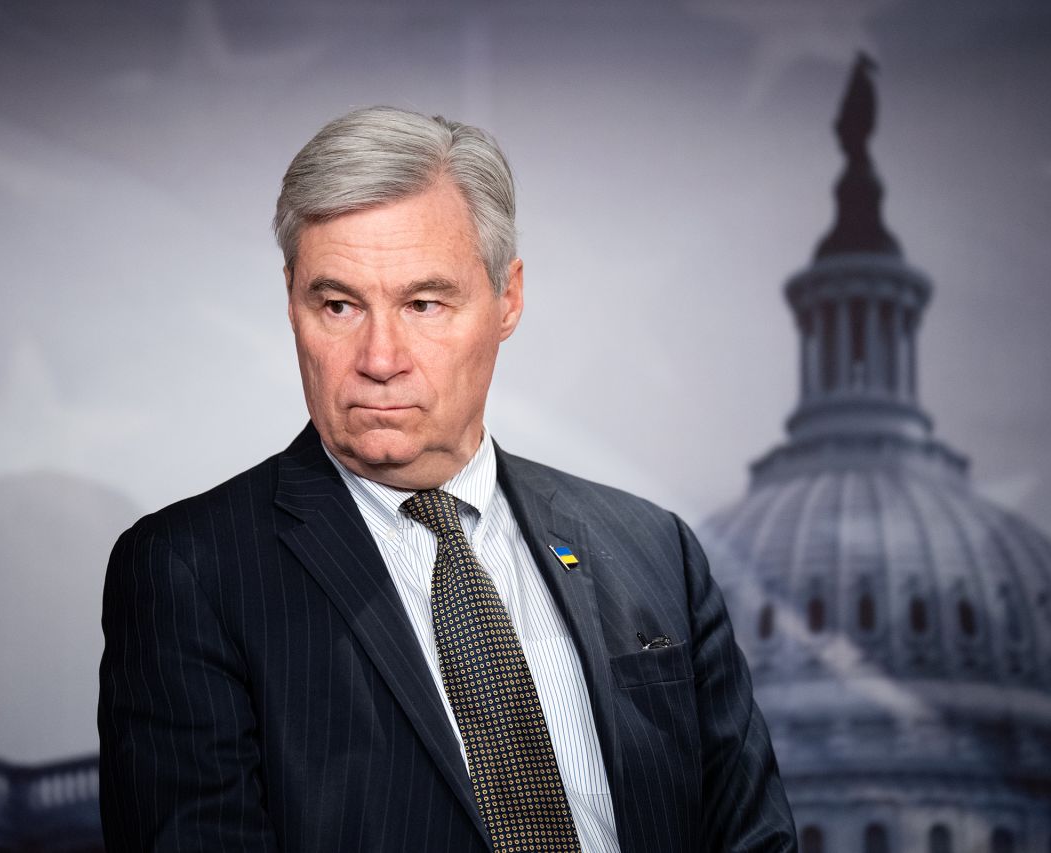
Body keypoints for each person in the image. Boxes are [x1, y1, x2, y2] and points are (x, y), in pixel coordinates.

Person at [98, 106, 797, 852]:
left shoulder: (654, 550)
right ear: (292, 301)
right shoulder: (189, 571)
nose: (380, 356)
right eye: (338, 305)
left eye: (424, 303)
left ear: (508, 299)